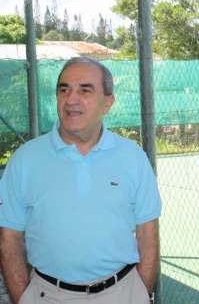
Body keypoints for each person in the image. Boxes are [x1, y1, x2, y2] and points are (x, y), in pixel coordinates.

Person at [0, 57, 161, 304]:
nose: (71, 99)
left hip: (123, 294)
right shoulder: (25, 160)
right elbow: (8, 237)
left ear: (108, 102)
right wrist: (24, 298)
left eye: (85, 90)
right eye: (64, 89)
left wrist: (140, 292)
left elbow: (148, 234)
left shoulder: (133, 157)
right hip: (46, 296)